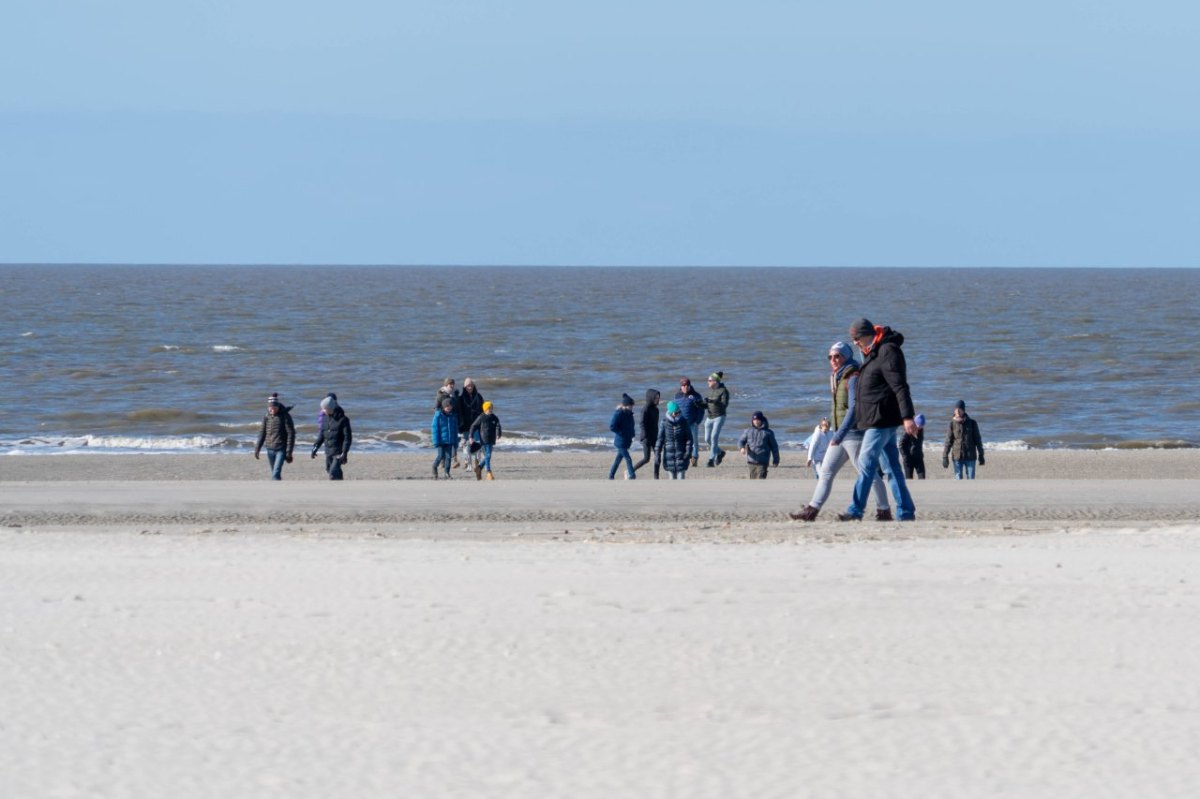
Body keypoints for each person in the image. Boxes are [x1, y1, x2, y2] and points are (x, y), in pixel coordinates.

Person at [790, 342, 893, 522]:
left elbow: (853, 409)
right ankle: (811, 511)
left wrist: (838, 435)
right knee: (826, 472)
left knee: (867, 473)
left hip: (853, 434)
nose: (833, 360)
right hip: (841, 435)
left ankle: (884, 511)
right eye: (830, 357)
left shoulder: (853, 376)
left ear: (846, 356)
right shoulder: (838, 376)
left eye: (837, 356)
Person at [837, 318, 917, 522]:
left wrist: (908, 417)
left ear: (867, 334)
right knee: (891, 468)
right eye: (852, 339)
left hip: (881, 420)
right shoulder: (873, 352)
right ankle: (906, 511)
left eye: (856, 338)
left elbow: (900, 386)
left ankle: (855, 510)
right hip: (877, 419)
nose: (855, 343)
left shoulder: (887, 351)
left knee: (865, 463)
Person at [253, 393, 296, 480]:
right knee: (275, 473)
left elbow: (291, 434)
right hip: (269, 449)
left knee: (275, 473)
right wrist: (257, 448)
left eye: (274, 408)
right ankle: (279, 491)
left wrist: (289, 452)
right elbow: (262, 433)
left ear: (277, 406)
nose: (272, 410)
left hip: (281, 449)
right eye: (270, 408)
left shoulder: (285, 416)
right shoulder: (266, 416)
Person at [310, 394, 352, 480]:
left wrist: (344, 452)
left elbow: (347, 438)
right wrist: (315, 447)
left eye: (324, 408)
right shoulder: (325, 418)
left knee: (333, 472)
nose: (322, 410)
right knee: (329, 469)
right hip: (328, 451)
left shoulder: (343, 419)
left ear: (330, 408)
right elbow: (322, 434)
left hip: (338, 451)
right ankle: (340, 484)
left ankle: (334, 490)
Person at [942, 400, 985, 479]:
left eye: (959, 409)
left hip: (970, 456)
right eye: (956, 410)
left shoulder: (972, 423)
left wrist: (981, 454)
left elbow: (978, 440)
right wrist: (945, 457)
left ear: (963, 410)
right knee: (958, 479)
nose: (957, 411)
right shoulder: (952, 424)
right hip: (957, 457)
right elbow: (948, 442)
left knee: (971, 479)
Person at [655, 400, 693, 480]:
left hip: (681, 455)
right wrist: (657, 453)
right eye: (672, 413)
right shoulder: (664, 422)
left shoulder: (684, 422)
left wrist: (688, 452)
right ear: (669, 412)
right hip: (669, 456)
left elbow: (689, 439)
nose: (674, 415)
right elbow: (660, 439)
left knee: (681, 479)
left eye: (676, 413)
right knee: (671, 479)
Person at [738, 410, 780, 479]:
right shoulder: (748, 431)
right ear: (752, 421)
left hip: (763, 461)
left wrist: (776, 460)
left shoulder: (768, 433)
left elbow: (774, 447)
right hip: (751, 461)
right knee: (753, 480)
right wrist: (741, 448)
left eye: (758, 420)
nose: (756, 421)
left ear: (762, 420)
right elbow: (741, 441)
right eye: (754, 420)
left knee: (761, 479)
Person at [674, 377, 706, 467]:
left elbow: (701, 410)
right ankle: (683, 458)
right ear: (681, 386)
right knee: (680, 442)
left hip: (692, 424)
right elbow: (675, 409)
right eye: (683, 385)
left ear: (690, 385)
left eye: (687, 385)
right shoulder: (677, 395)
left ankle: (694, 458)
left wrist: (697, 421)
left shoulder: (696, 395)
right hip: (680, 423)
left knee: (694, 442)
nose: (685, 387)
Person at [468, 400, 502, 480]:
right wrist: (471, 436)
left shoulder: (494, 417)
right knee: (488, 455)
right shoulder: (481, 417)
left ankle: (479, 467)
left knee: (487, 456)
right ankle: (488, 472)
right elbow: (473, 426)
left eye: (491, 408)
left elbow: (498, 426)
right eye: (489, 408)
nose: (490, 410)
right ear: (485, 409)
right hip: (484, 440)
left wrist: (498, 433)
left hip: (491, 439)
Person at [458, 377, 486, 472]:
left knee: (478, 445)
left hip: (477, 426)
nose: (470, 387)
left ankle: (477, 462)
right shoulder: (461, 398)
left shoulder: (478, 396)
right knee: (466, 446)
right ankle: (467, 462)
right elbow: (459, 413)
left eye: (471, 385)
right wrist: (460, 425)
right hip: (466, 426)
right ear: (465, 387)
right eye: (468, 386)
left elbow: (483, 411)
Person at [632, 389, 662, 478]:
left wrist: (658, 436)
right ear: (651, 398)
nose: (657, 400)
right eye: (656, 398)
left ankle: (656, 476)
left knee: (658, 456)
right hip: (646, 438)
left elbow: (655, 425)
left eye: (658, 398)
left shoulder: (656, 410)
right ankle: (630, 471)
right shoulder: (645, 409)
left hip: (655, 437)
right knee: (646, 459)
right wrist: (645, 436)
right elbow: (642, 423)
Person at [703, 371, 730, 467]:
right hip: (709, 417)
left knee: (714, 438)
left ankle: (711, 460)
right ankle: (720, 452)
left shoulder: (724, 391)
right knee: (707, 439)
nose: (708, 382)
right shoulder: (710, 391)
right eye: (708, 380)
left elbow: (724, 405)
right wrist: (701, 404)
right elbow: (708, 405)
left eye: (709, 380)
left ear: (715, 381)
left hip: (719, 417)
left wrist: (713, 401)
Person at [608, 393, 637, 480]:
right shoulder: (619, 414)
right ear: (625, 405)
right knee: (628, 458)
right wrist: (621, 433)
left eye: (632, 406)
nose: (632, 407)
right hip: (620, 441)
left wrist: (632, 434)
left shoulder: (630, 414)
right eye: (630, 406)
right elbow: (612, 426)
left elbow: (631, 426)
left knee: (618, 460)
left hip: (627, 440)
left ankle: (611, 475)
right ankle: (632, 475)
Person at [435, 378, 462, 468]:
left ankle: (454, 459)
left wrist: (460, 419)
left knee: (454, 439)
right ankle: (443, 460)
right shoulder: (441, 395)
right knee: (445, 441)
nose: (452, 386)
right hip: (444, 420)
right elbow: (436, 408)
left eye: (453, 384)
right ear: (446, 385)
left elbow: (458, 407)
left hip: (454, 419)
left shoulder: (454, 394)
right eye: (450, 384)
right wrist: (441, 416)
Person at [431, 398, 459, 479]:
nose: (449, 408)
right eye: (447, 406)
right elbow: (435, 429)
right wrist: (436, 441)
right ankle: (434, 467)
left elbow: (455, 430)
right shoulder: (438, 415)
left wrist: (455, 442)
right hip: (441, 441)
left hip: (450, 441)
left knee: (448, 457)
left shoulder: (453, 416)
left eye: (450, 406)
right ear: (443, 407)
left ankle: (447, 473)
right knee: (440, 456)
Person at [899, 413, 927, 480]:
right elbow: (901, 445)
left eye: (922, 425)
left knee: (922, 478)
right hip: (909, 459)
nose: (920, 427)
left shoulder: (921, 430)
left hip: (919, 457)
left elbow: (918, 444)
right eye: (919, 425)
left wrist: (920, 454)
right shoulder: (908, 430)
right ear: (915, 423)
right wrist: (905, 457)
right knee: (909, 479)